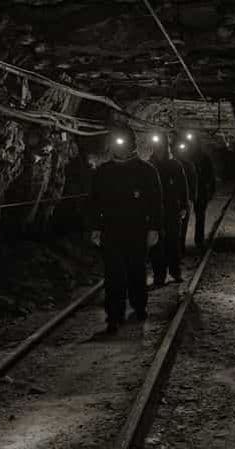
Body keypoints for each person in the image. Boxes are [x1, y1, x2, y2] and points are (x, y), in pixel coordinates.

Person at [89, 125, 163, 336]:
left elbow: (155, 202)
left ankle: (139, 306)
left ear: (132, 144)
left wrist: (154, 228)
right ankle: (114, 315)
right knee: (113, 275)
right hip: (111, 231)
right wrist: (95, 227)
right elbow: (94, 202)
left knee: (136, 271)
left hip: (137, 230)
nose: (118, 147)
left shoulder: (146, 171)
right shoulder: (104, 172)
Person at [148, 131, 190, 287]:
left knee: (172, 242)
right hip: (155, 211)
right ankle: (159, 275)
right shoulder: (149, 166)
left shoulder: (175, 165)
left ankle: (174, 271)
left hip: (172, 210)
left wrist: (184, 205)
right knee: (156, 245)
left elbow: (183, 187)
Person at [185, 131, 216, 251]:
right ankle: (197, 241)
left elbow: (210, 175)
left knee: (199, 216)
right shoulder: (189, 157)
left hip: (199, 190)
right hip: (192, 190)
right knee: (195, 216)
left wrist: (211, 190)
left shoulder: (200, 158)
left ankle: (198, 240)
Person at [175, 137, 198, 256]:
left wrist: (191, 198)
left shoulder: (188, 165)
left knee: (183, 226)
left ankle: (181, 249)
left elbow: (193, 182)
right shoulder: (172, 165)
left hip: (185, 200)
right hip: (175, 200)